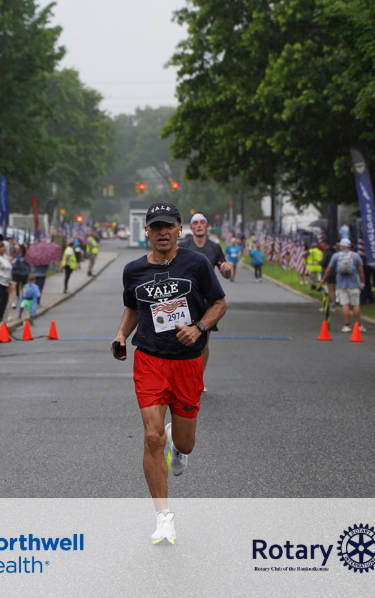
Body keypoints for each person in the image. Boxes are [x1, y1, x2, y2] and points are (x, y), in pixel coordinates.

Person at [112, 201, 226, 545]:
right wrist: (122, 334)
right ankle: (163, 518)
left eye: (168, 226)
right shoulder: (133, 270)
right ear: (147, 232)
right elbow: (132, 307)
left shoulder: (197, 263)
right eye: (156, 227)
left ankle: (178, 447)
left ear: (179, 230)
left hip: (187, 363)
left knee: (185, 443)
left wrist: (199, 327)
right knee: (152, 437)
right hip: (150, 359)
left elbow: (219, 303)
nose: (163, 232)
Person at [178, 212, 233, 383]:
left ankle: (198, 380)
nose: (199, 225)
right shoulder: (183, 246)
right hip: (186, 300)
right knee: (182, 340)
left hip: (206, 303)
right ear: (191, 227)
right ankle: (183, 378)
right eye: (196, 223)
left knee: (203, 342)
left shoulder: (214, 248)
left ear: (207, 226)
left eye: (202, 222)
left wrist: (227, 270)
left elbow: (226, 273)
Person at [322, 238, 365, 332]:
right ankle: (358, 325)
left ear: (342, 246)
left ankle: (347, 325)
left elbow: (329, 269)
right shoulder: (356, 256)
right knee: (355, 305)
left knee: (345, 304)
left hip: (341, 284)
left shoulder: (336, 256)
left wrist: (324, 278)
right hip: (354, 284)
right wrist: (362, 282)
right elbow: (361, 270)